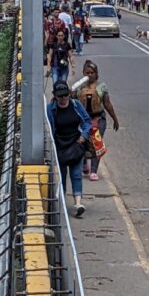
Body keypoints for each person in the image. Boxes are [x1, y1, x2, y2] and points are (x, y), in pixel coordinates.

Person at [47, 80, 91, 217]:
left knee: (76, 174)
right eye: (60, 96)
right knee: (61, 175)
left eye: (65, 95)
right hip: (60, 146)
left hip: (76, 143)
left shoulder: (76, 105)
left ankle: (78, 203)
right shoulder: (51, 109)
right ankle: (62, 204)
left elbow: (87, 121)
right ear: (55, 96)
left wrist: (83, 136)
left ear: (69, 94)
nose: (63, 98)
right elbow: (48, 127)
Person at [74, 61, 120, 181]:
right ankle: (84, 163)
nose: (89, 75)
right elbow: (71, 101)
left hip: (98, 118)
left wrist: (115, 119)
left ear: (96, 73)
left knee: (96, 143)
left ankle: (93, 171)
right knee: (82, 141)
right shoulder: (79, 87)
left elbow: (107, 104)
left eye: (92, 73)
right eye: (87, 73)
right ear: (83, 73)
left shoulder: (101, 87)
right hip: (83, 119)